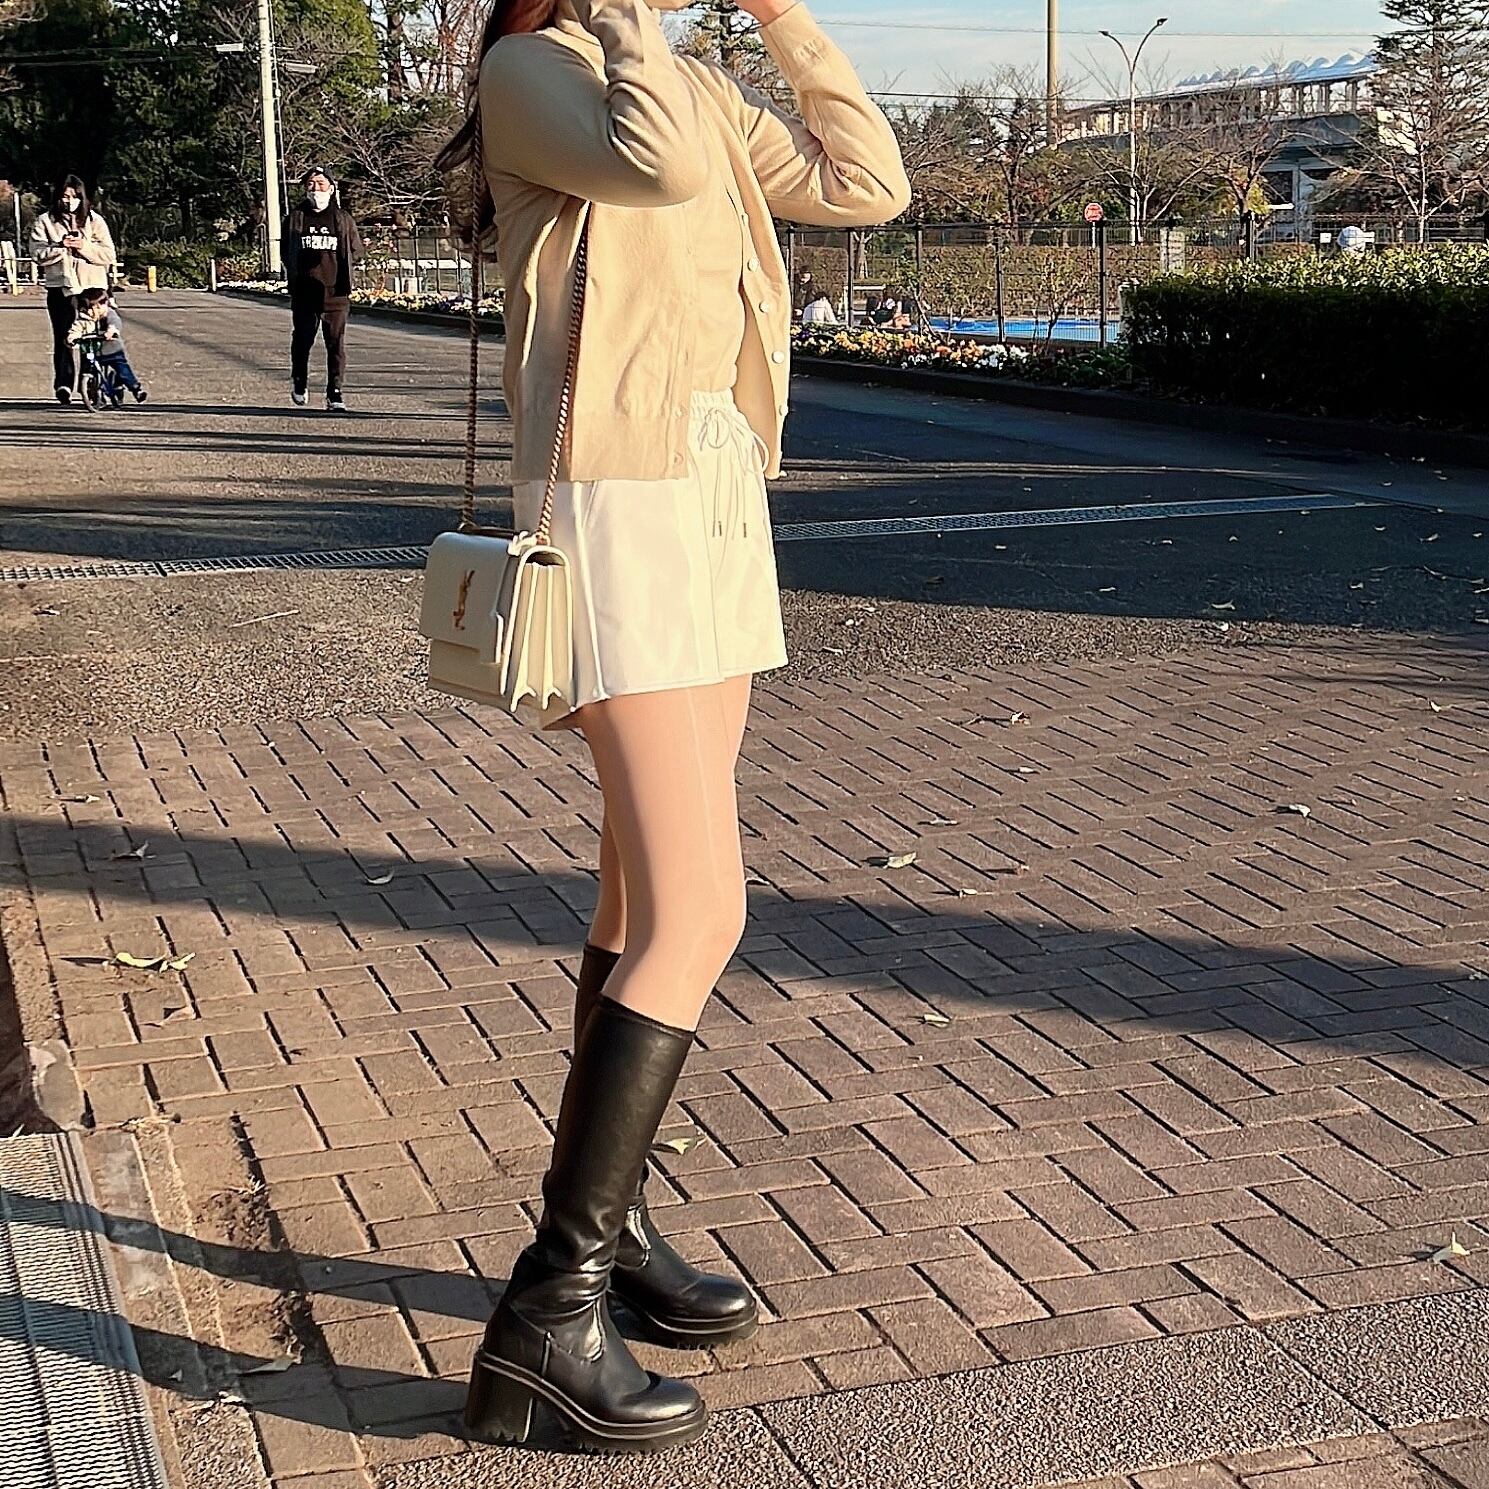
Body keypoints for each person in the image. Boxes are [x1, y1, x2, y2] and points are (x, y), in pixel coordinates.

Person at [437, 0, 908, 1457]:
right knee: (704, 907)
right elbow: (653, 170)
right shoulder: (534, 72)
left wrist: (781, 19)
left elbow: (866, 184)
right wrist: (632, 29)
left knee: (641, 892)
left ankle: (616, 1228)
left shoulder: (697, 83)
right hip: (614, 502)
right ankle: (548, 1310)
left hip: (712, 490)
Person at [28, 175, 117, 404]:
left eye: (74, 197)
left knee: (91, 336)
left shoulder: (95, 221)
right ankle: (63, 384)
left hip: (92, 289)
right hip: (61, 288)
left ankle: (91, 383)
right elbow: (37, 254)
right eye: (65, 197)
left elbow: (108, 255)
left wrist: (84, 247)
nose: (69, 201)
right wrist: (60, 247)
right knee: (64, 337)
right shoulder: (45, 222)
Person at [282, 166, 363, 411]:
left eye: (320, 184)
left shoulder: (343, 219)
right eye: (310, 184)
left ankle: (334, 392)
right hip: (304, 292)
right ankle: (299, 381)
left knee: (335, 344)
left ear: (331, 188)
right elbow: (286, 251)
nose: (315, 189)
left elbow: (356, 250)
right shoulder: (295, 218)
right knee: (302, 339)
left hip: (336, 293)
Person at [66, 287, 148, 405]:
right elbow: (76, 329)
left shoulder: (109, 315)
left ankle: (136, 390)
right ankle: (93, 394)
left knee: (123, 370)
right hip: (92, 351)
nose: (93, 311)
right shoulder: (83, 319)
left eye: (97, 307)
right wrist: (72, 339)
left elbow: (114, 322)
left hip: (112, 350)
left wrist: (111, 331)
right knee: (89, 370)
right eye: (90, 308)